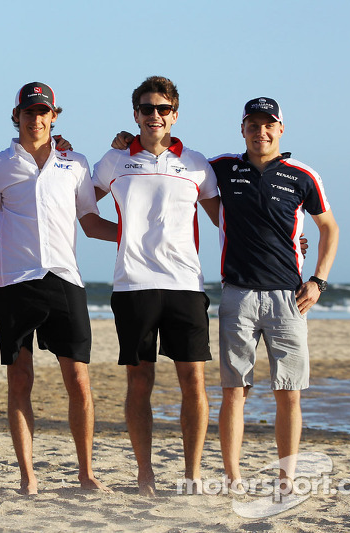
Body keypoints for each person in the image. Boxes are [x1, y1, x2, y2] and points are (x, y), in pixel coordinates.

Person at [0, 82, 116, 495]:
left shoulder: (76, 164)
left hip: (65, 280)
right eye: (28, 111)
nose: (36, 118)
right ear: (17, 116)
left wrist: (134, 236)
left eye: (43, 112)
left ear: (54, 116)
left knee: (79, 383)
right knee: (20, 381)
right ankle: (28, 478)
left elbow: (90, 221)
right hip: (14, 283)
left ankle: (86, 474)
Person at [209, 97, 339, 494]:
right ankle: (233, 480)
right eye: (253, 124)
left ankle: (287, 479)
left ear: (281, 129)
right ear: (242, 128)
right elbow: (174, 162)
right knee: (235, 391)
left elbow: (329, 228)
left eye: (269, 125)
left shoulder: (302, 175)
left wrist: (318, 280)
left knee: (289, 392)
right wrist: (127, 142)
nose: (260, 132)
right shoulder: (221, 167)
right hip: (237, 295)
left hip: (289, 298)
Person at [97, 76, 219, 496]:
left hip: (185, 284)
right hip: (132, 285)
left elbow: (227, 221)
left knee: (194, 382)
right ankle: (144, 474)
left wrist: (288, 239)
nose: (154, 115)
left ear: (175, 114)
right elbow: (79, 208)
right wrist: (125, 232)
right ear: (135, 114)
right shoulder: (114, 160)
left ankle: (192, 474)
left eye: (162, 108)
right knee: (139, 381)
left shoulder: (198, 164)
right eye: (147, 108)